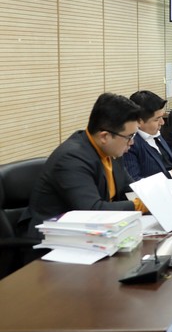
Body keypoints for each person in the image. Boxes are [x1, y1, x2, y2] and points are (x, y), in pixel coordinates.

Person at [23, 93, 148, 239]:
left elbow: (129, 188)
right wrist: (140, 205)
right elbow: (92, 210)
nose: (132, 142)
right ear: (104, 136)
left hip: (96, 233)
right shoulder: (71, 158)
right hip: (54, 239)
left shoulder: (110, 150)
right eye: (129, 136)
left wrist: (156, 195)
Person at [124, 90, 172, 180]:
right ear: (139, 121)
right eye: (157, 119)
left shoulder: (156, 135)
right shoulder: (129, 144)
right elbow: (134, 182)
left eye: (162, 117)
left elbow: (168, 166)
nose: (162, 122)